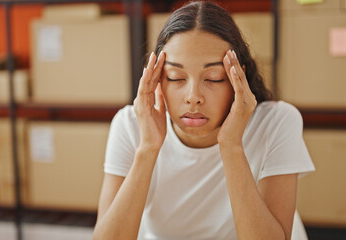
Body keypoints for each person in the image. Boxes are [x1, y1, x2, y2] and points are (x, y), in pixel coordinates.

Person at [93, 1, 315, 239]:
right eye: (176, 77)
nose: (193, 97)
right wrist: (148, 148)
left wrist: (231, 145)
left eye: (213, 78)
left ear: (237, 78)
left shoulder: (277, 122)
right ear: (157, 77)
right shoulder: (130, 125)